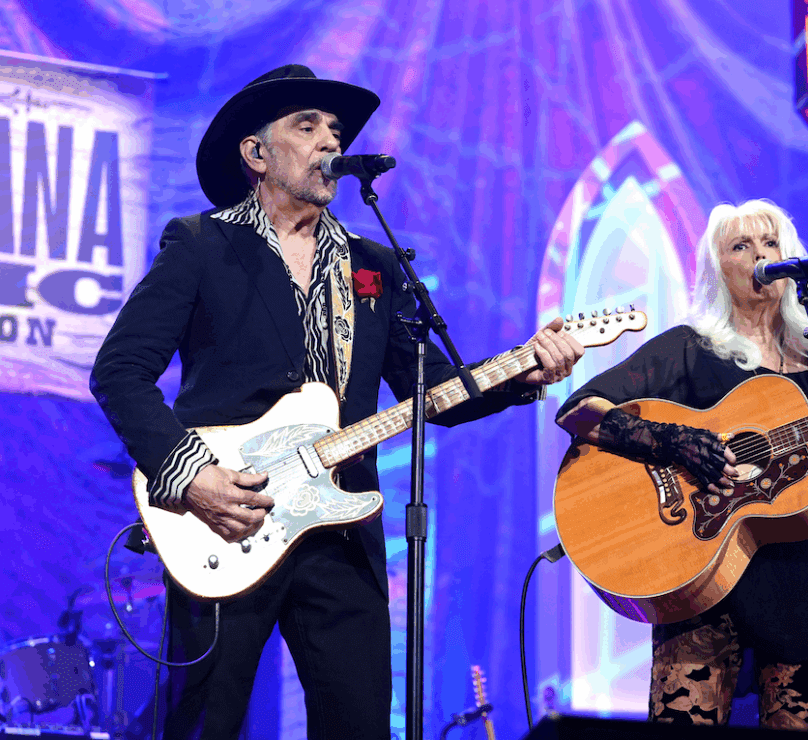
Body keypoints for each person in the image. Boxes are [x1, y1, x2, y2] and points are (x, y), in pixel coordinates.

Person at [90, 64, 583, 739]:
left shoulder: (372, 264)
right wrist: (194, 475)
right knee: (204, 719)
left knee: (357, 723)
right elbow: (119, 370)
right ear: (256, 153)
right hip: (229, 517)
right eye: (308, 124)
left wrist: (525, 372)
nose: (330, 140)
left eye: (337, 130)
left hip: (341, 527)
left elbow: (433, 390)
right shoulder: (202, 244)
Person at [555, 199, 808, 731]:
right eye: (741, 246)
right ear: (717, 270)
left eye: (771, 244)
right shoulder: (687, 351)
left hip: (806, 594)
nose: (760, 255)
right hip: (700, 580)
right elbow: (580, 412)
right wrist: (673, 442)